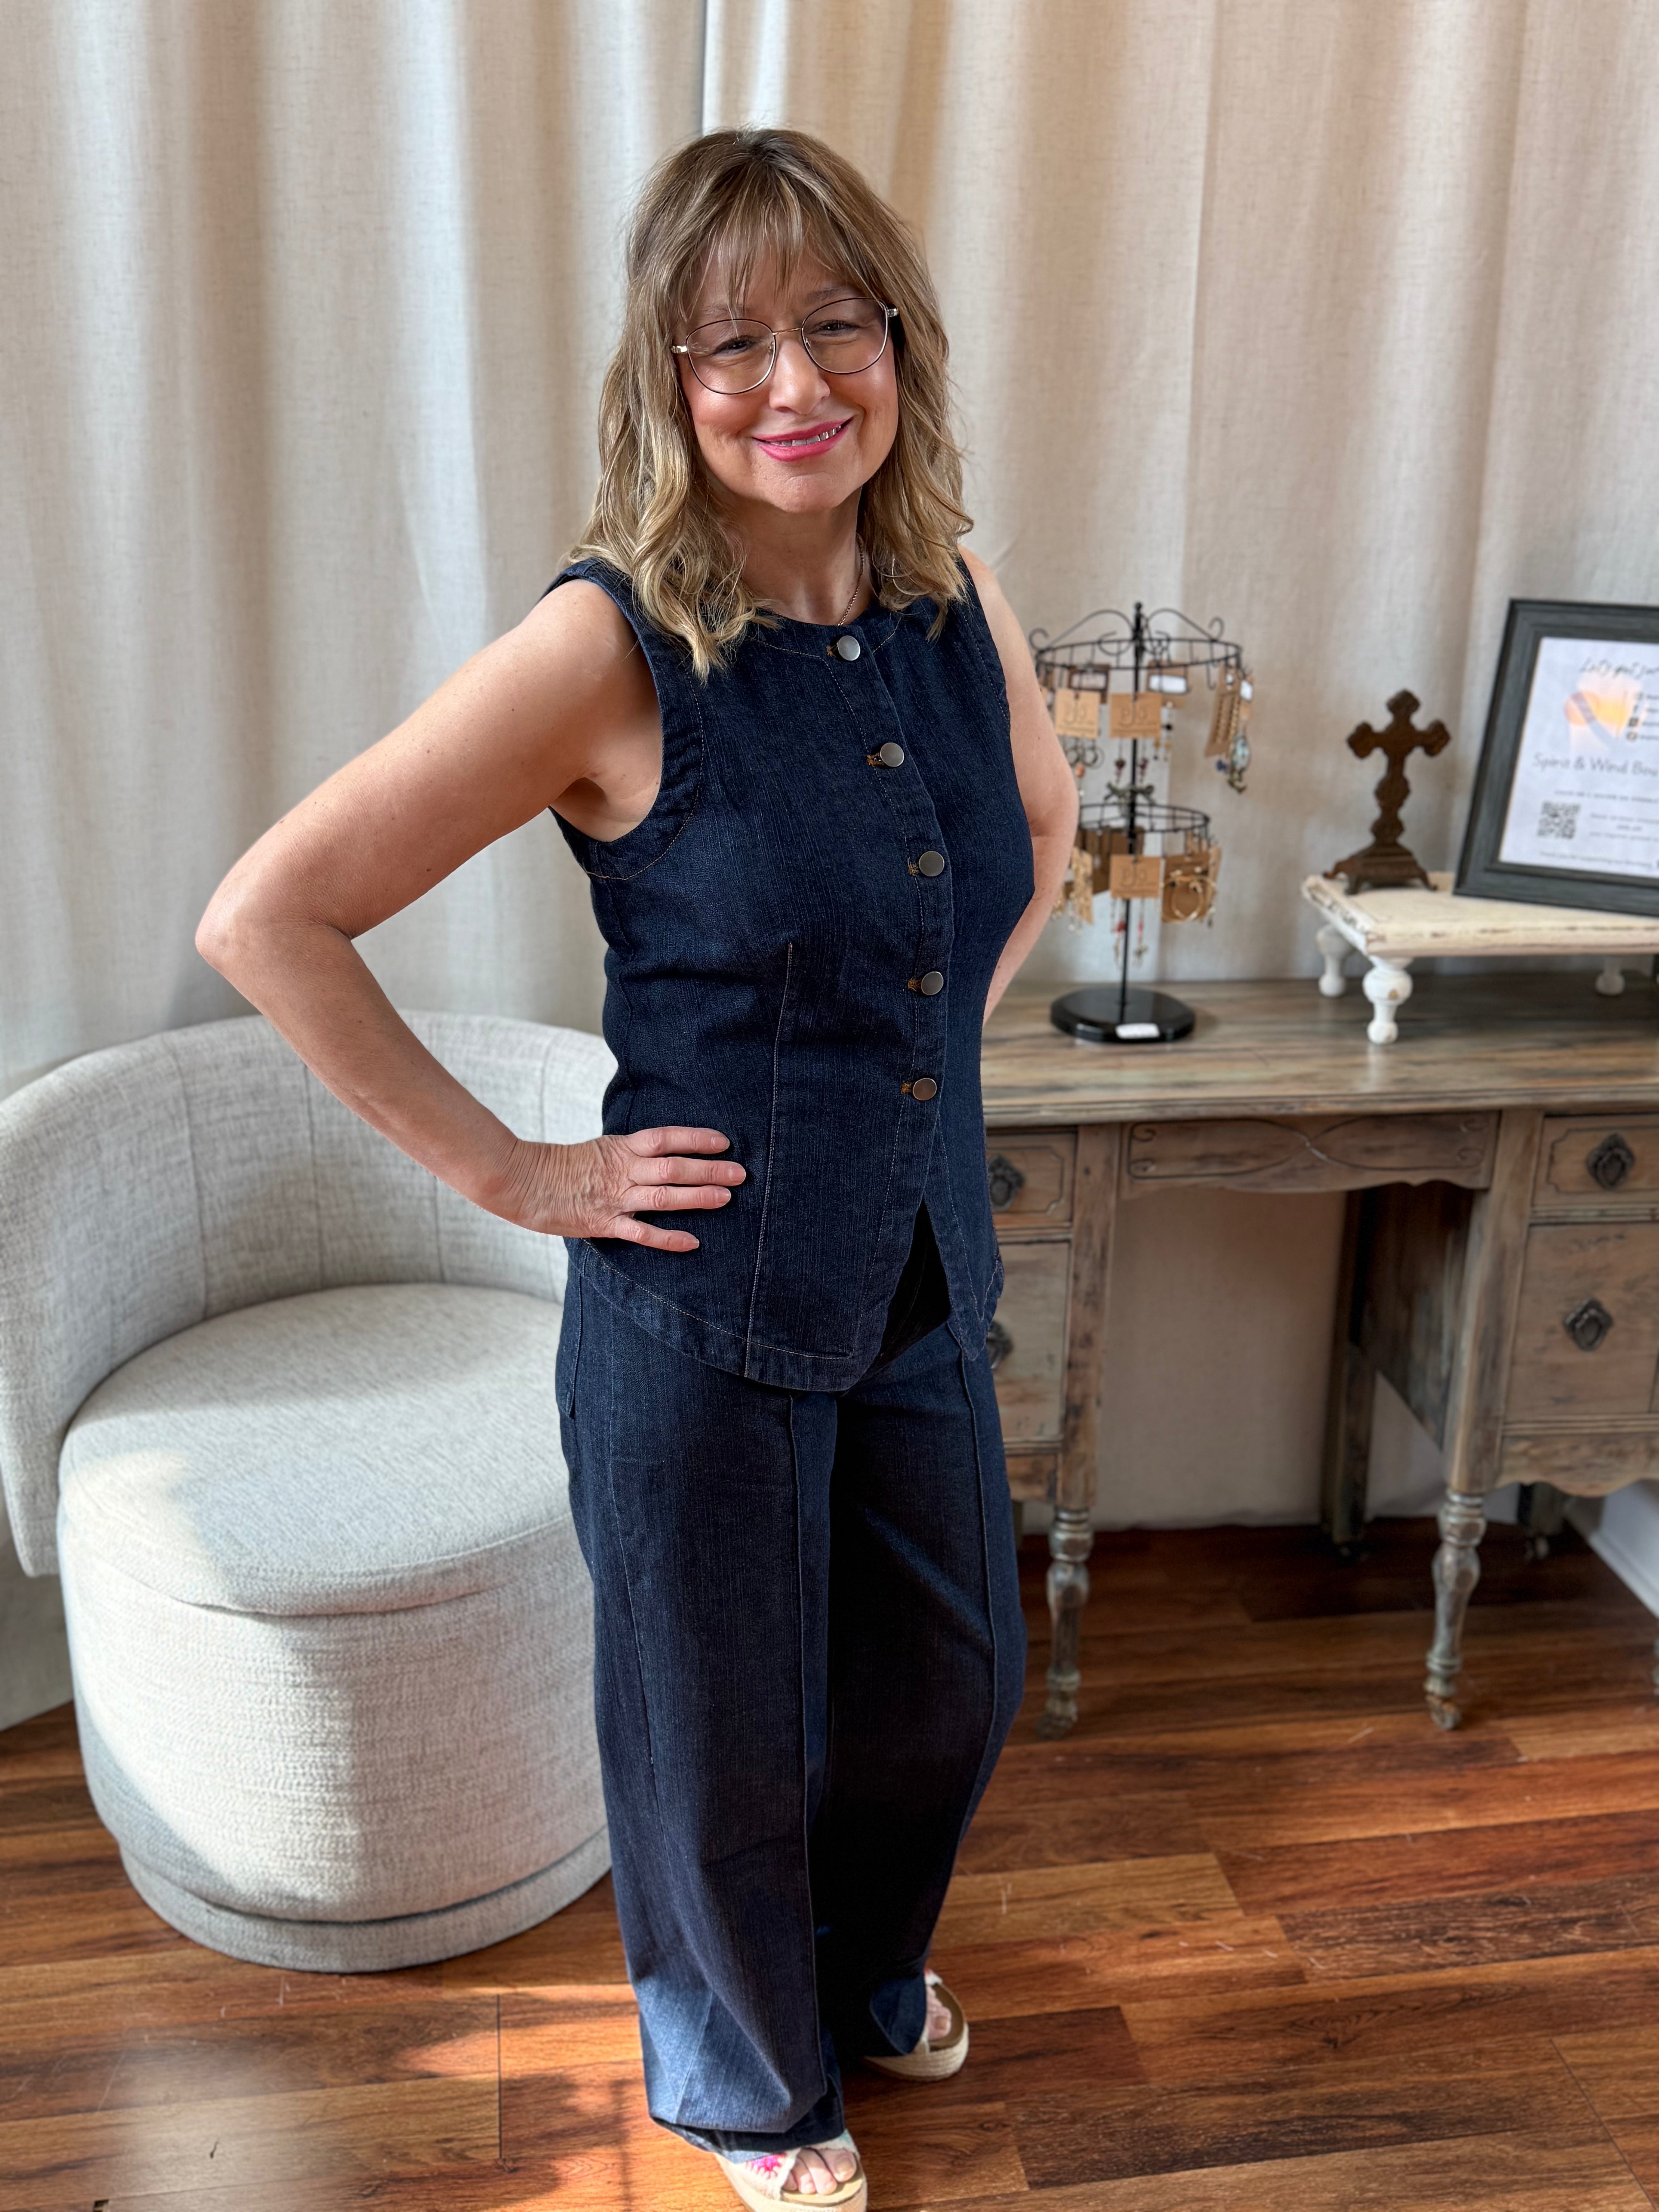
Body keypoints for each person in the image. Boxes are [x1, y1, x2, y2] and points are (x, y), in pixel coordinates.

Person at [197, 125, 1076, 2212]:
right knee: (715, 1740)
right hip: (701, 1301)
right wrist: (520, 1178)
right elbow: (271, 917)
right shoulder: (610, 648)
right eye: (732, 344)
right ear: (667, 382)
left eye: (837, 326)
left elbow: (1039, 830)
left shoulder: (961, 601)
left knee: (949, 1690)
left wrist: (922, 1057)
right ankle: (750, 2091)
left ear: (902, 344)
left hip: (920, 1269)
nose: (796, 385)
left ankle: (861, 1977)